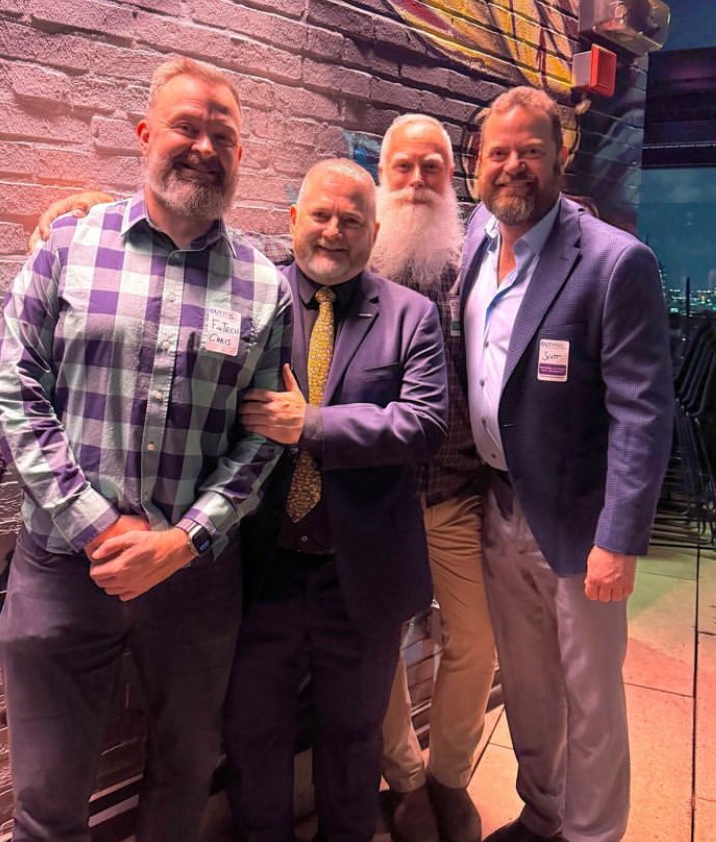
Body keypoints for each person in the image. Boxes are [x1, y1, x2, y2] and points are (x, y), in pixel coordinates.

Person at [0, 57, 292, 842]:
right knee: (47, 801)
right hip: (63, 566)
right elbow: (13, 391)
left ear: (241, 154)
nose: (203, 147)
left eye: (222, 135)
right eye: (186, 126)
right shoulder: (68, 246)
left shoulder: (264, 287)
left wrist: (183, 541)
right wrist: (98, 527)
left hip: (195, 579)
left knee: (186, 774)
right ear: (145, 133)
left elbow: (263, 438)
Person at [459, 86, 673, 842]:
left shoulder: (615, 263)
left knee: (591, 697)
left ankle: (591, 833)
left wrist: (619, 538)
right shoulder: (475, 240)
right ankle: (542, 813)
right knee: (526, 685)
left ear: (561, 157)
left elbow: (643, 411)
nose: (513, 165)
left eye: (531, 150)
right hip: (499, 506)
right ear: (477, 164)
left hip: (583, 526)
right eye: (499, 152)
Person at [224, 158, 448, 842]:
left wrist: (311, 424)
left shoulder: (412, 316)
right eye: (320, 215)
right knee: (252, 735)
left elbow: (425, 424)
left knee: (354, 742)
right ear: (293, 219)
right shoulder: (251, 299)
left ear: (374, 232)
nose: (333, 231)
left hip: (361, 577)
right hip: (258, 571)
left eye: (352, 220)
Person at [372, 114, 494, 842]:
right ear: (381, 174)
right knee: (378, 645)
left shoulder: (476, 267)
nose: (417, 181)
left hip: (454, 495)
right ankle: (405, 781)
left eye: (432, 168)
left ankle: (449, 777)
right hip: (377, 504)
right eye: (403, 167)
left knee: (476, 640)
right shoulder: (355, 256)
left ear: (452, 178)